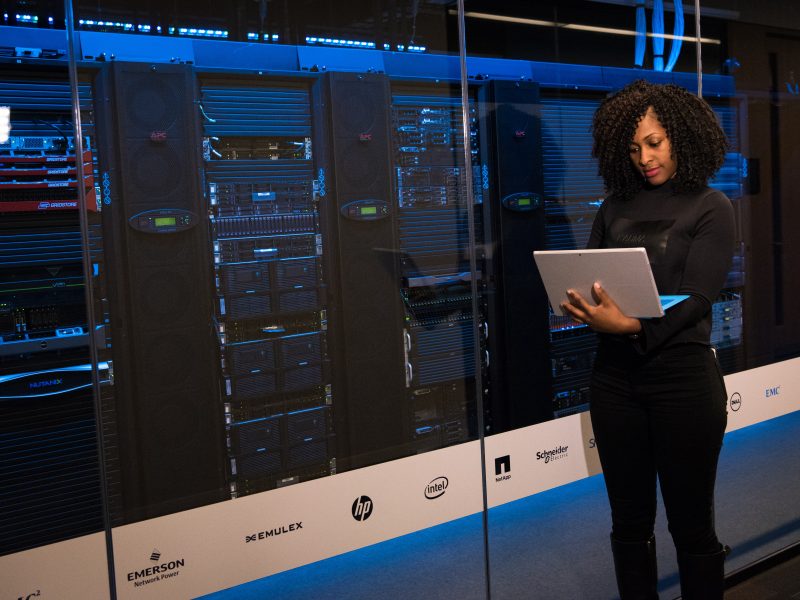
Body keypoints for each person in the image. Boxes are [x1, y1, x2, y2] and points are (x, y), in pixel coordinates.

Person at [561, 80, 734, 600]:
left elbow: (698, 297)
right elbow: (587, 273)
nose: (644, 157)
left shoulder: (711, 206)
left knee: (690, 524)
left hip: (684, 381)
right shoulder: (613, 206)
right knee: (629, 523)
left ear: (681, 136)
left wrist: (633, 325)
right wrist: (584, 305)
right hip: (615, 381)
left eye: (655, 142)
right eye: (634, 148)